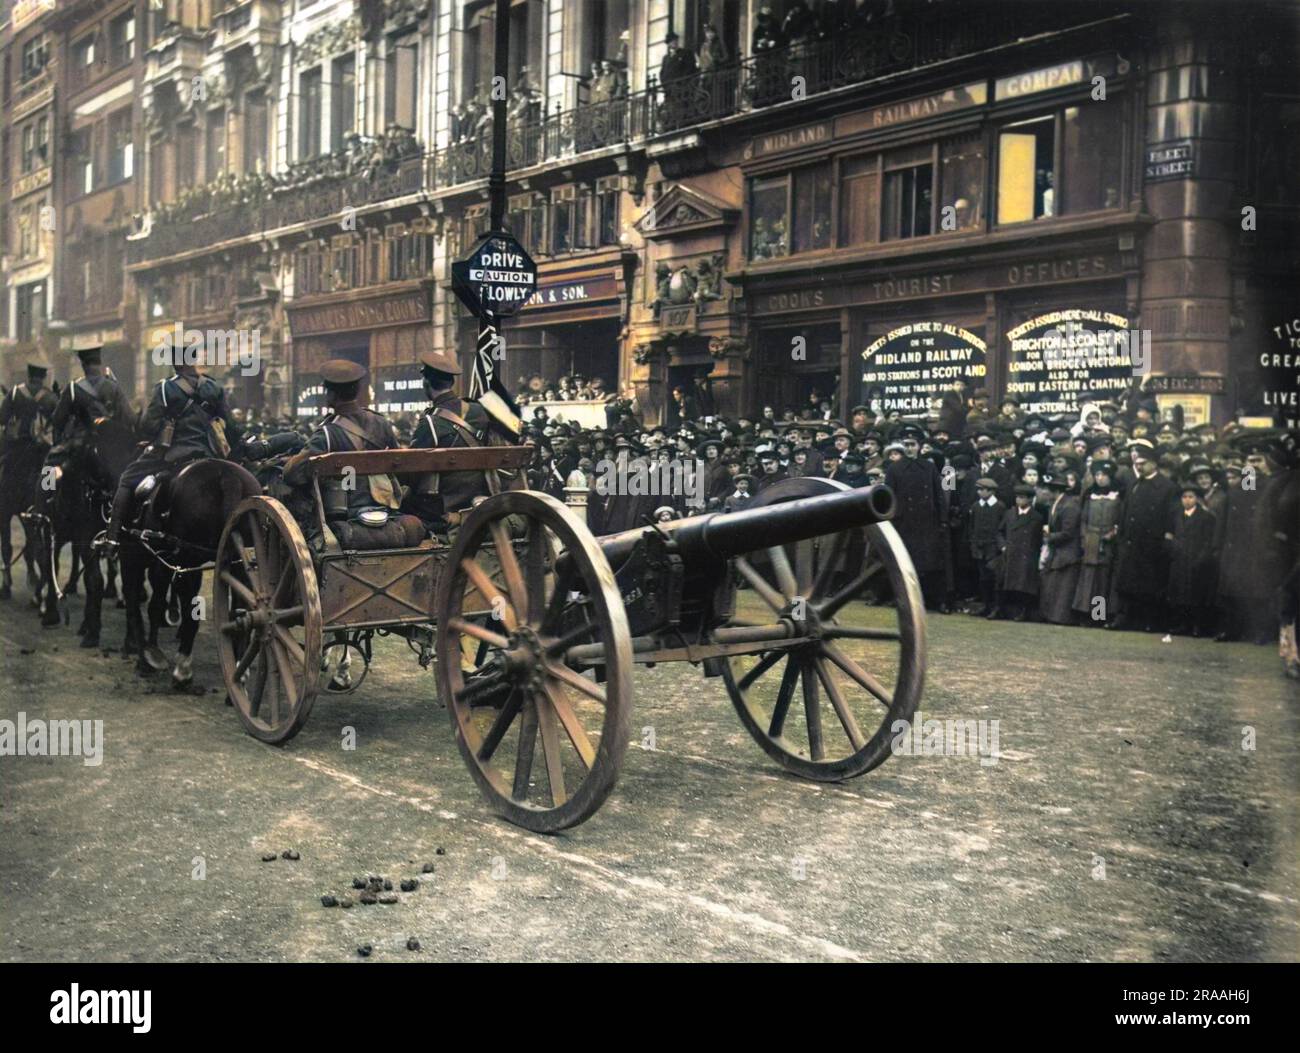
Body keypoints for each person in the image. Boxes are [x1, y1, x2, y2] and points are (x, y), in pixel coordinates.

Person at [100, 346, 242, 554]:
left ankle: (111, 538)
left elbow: (148, 427)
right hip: (210, 454)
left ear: (177, 364)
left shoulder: (166, 389)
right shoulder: (214, 388)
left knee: (127, 478)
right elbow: (232, 427)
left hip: (175, 454)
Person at [279, 359, 403, 543]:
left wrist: (288, 462)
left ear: (331, 394)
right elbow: (397, 461)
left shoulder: (327, 433)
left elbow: (293, 474)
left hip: (345, 511)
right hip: (384, 506)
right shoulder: (381, 423)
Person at [401, 350, 491, 535]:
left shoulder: (430, 422)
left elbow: (412, 472)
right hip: (481, 496)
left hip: (443, 506)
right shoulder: (479, 411)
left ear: (426, 383)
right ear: (451, 383)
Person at [1109, 442, 1178, 633]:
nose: (1139, 467)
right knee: (1126, 583)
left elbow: (1171, 515)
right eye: (1137, 463)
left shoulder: (1167, 487)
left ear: (1154, 464)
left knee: (1150, 584)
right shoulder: (1134, 484)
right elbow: (1126, 511)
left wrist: (1166, 538)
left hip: (1151, 543)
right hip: (1130, 541)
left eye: (1144, 463)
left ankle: (1149, 621)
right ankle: (1123, 618)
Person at [884, 425, 946, 610]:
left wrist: (942, 519)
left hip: (927, 523)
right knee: (905, 563)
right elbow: (890, 497)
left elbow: (938, 495)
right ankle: (904, 599)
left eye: (913, 444)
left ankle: (928, 600)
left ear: (919, 446)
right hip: (904, 523)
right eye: (906, 444)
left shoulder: (929, 467)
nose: (910, 448)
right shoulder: (894, 469)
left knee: (928, 565)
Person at [1071, 459, 1122, 626]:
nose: (1100, 478)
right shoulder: (1089, 495)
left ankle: (1097, 615)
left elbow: (1120, 519)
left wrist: (1113, 533)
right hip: (1091, 540)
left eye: (1104, 475)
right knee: (1088, 579)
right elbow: (1083, 520)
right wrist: (1084, 538)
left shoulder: (1117, 496)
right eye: (1097, 475)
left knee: (1102, 580)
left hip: (1108, 542)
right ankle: (1083, 614)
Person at [1167, 483, 1218, 637]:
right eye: (1184, 497)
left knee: (1196, 595)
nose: (1187, 500)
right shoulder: (1177, 515)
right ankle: (1183, 624)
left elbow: (1208, 540)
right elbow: (1170, 535)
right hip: (1180, 558)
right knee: (1180, 594)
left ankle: (1197, 626)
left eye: (1191, 497)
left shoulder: (1206, 517)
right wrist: (1173, 548)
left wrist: (1202, 558)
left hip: (1196, 559)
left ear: (1197, 499)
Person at [1038, 473, 1082, 625]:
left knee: (1063, 587)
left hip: (1067, 552)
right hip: (1058, 551)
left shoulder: (1070, 506)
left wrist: (1049, 536)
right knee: (1054, 584)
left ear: (1054, 491)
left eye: (1047, 490)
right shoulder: (1056, 504)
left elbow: (1068, 532)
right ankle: (1052, 615)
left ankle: (1061, 617)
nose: (1045, 493)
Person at [995, 483, 1043, 621]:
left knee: (1024, 585)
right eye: (1017, 497)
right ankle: (999, 609)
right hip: (1009, 553)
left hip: (1026, 555)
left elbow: (1037, 539)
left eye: (1022, 498)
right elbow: (999, 532)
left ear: (1029, 500)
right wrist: (1003, 546)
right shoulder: (1009, 514)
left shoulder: (1036, 517)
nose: (1019, 500)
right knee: (1001, 581)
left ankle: (1023, 611)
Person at [968, 477, 1004, 618]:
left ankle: (996, 607)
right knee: (983, 578)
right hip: (979, 547)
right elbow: (972, 527)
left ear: (991, 491)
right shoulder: (976, 506)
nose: (979, 492)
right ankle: (986, 605)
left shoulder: (999, 507)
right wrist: (974, 544)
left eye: (982, 489)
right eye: (978, 489)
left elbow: (1001, 528)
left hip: (993, 548)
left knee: (994, 577)